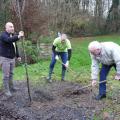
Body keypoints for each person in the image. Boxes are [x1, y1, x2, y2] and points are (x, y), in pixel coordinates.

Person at [0, 22, 24, 97]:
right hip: (5, 58)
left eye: (13, 26)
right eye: (10, 27)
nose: (12, 28)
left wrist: (18, 56)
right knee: (6, 75)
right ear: (6, 28)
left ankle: (11, 87)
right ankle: (6, 90)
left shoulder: (13, 35)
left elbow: (15, 46)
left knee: (11, 73)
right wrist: (19, 36)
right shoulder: (3, 35)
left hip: (12, 58)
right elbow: (9, 40)